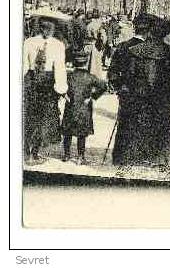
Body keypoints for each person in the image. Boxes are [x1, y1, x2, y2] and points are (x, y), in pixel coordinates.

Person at [110, 14, 170, 168]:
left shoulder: (128, 49)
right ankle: (161, 157)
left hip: (135, 96)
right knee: (160, 125)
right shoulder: (169, 52)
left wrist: (122, 89)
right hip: (159, 98)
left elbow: (120, 74)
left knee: (133, 126)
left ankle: (130, 157)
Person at [23, 18, 68, 164]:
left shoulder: (31, 42)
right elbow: (59, 70)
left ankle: (29, 152)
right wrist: (61, 89)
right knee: (38, 118)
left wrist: (60, 88)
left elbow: (23, 65)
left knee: (32, 116)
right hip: (41, 82)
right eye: (46, 27)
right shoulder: (55, 45)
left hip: (37, 82)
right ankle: (31, 153)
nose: (47, 30)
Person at [61, 52, 107, 164]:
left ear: (74, 63)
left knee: (67, 132)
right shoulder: (91, 77)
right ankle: (80, 157)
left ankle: (67, 155)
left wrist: (65, 96)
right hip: (84, 109)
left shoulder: (69, 76)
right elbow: (104, 86)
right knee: (81, 134)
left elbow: (60, 86)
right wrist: (92, 97)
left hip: (70, 107)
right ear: (86, 63)